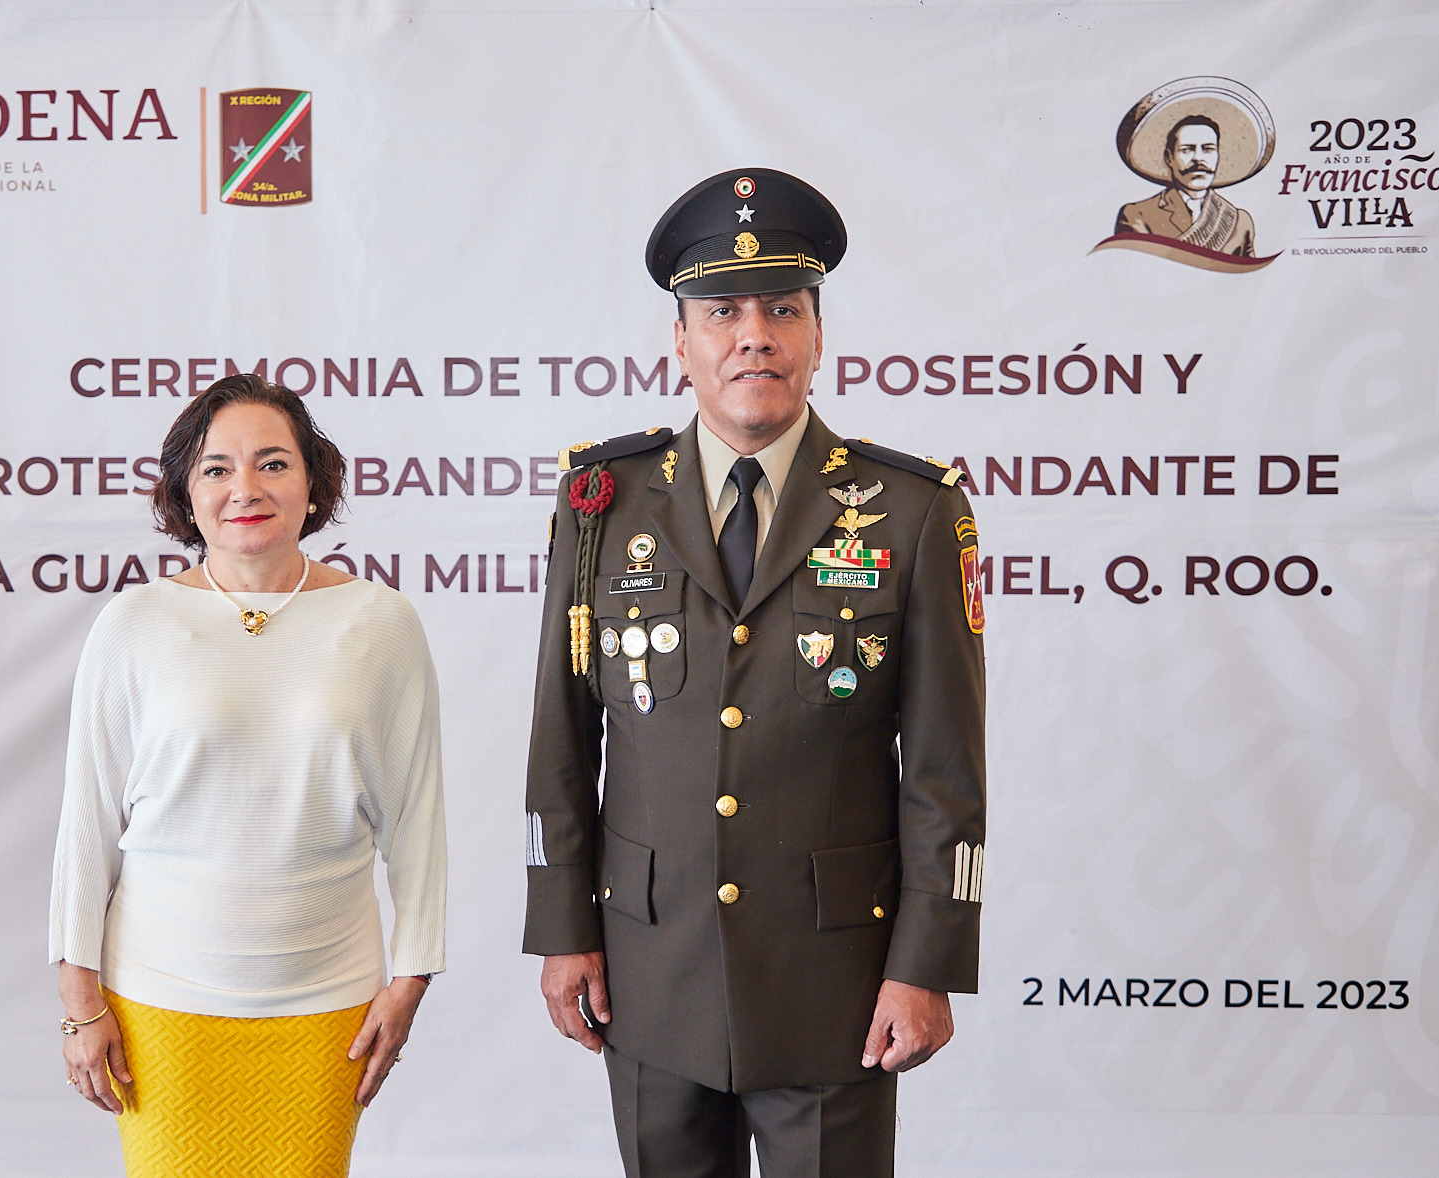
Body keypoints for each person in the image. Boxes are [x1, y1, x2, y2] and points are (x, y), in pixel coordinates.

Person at [522, 168, 987, 1178]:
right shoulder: (602, 498)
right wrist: (563, 925)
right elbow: (562, 732)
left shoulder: (907, 508)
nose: (753, 334)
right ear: (679, 341)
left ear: (817, 335)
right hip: (650, 957)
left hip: (837, 972)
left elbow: (943, 765)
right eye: (720, 310)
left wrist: (926, 960)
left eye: (782, 308)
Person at [50, 373, 446, 1176]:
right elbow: (87, 823)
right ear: (185, 494)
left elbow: (418, 819)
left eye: (273, 463)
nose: (246, 489)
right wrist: (78, 1004)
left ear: (313, 482)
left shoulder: (381, 622)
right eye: (216, 469)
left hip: (326, 1005)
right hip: (161, 1006)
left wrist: (410, 979)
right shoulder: (134, 624)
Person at [1114, 114, 1257, 255]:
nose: (1198, 159)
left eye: (1208, 149)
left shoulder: (1238, 220)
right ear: (1169, 158)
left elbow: (1251, 276)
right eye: (1186, 150)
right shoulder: (1138, 215)